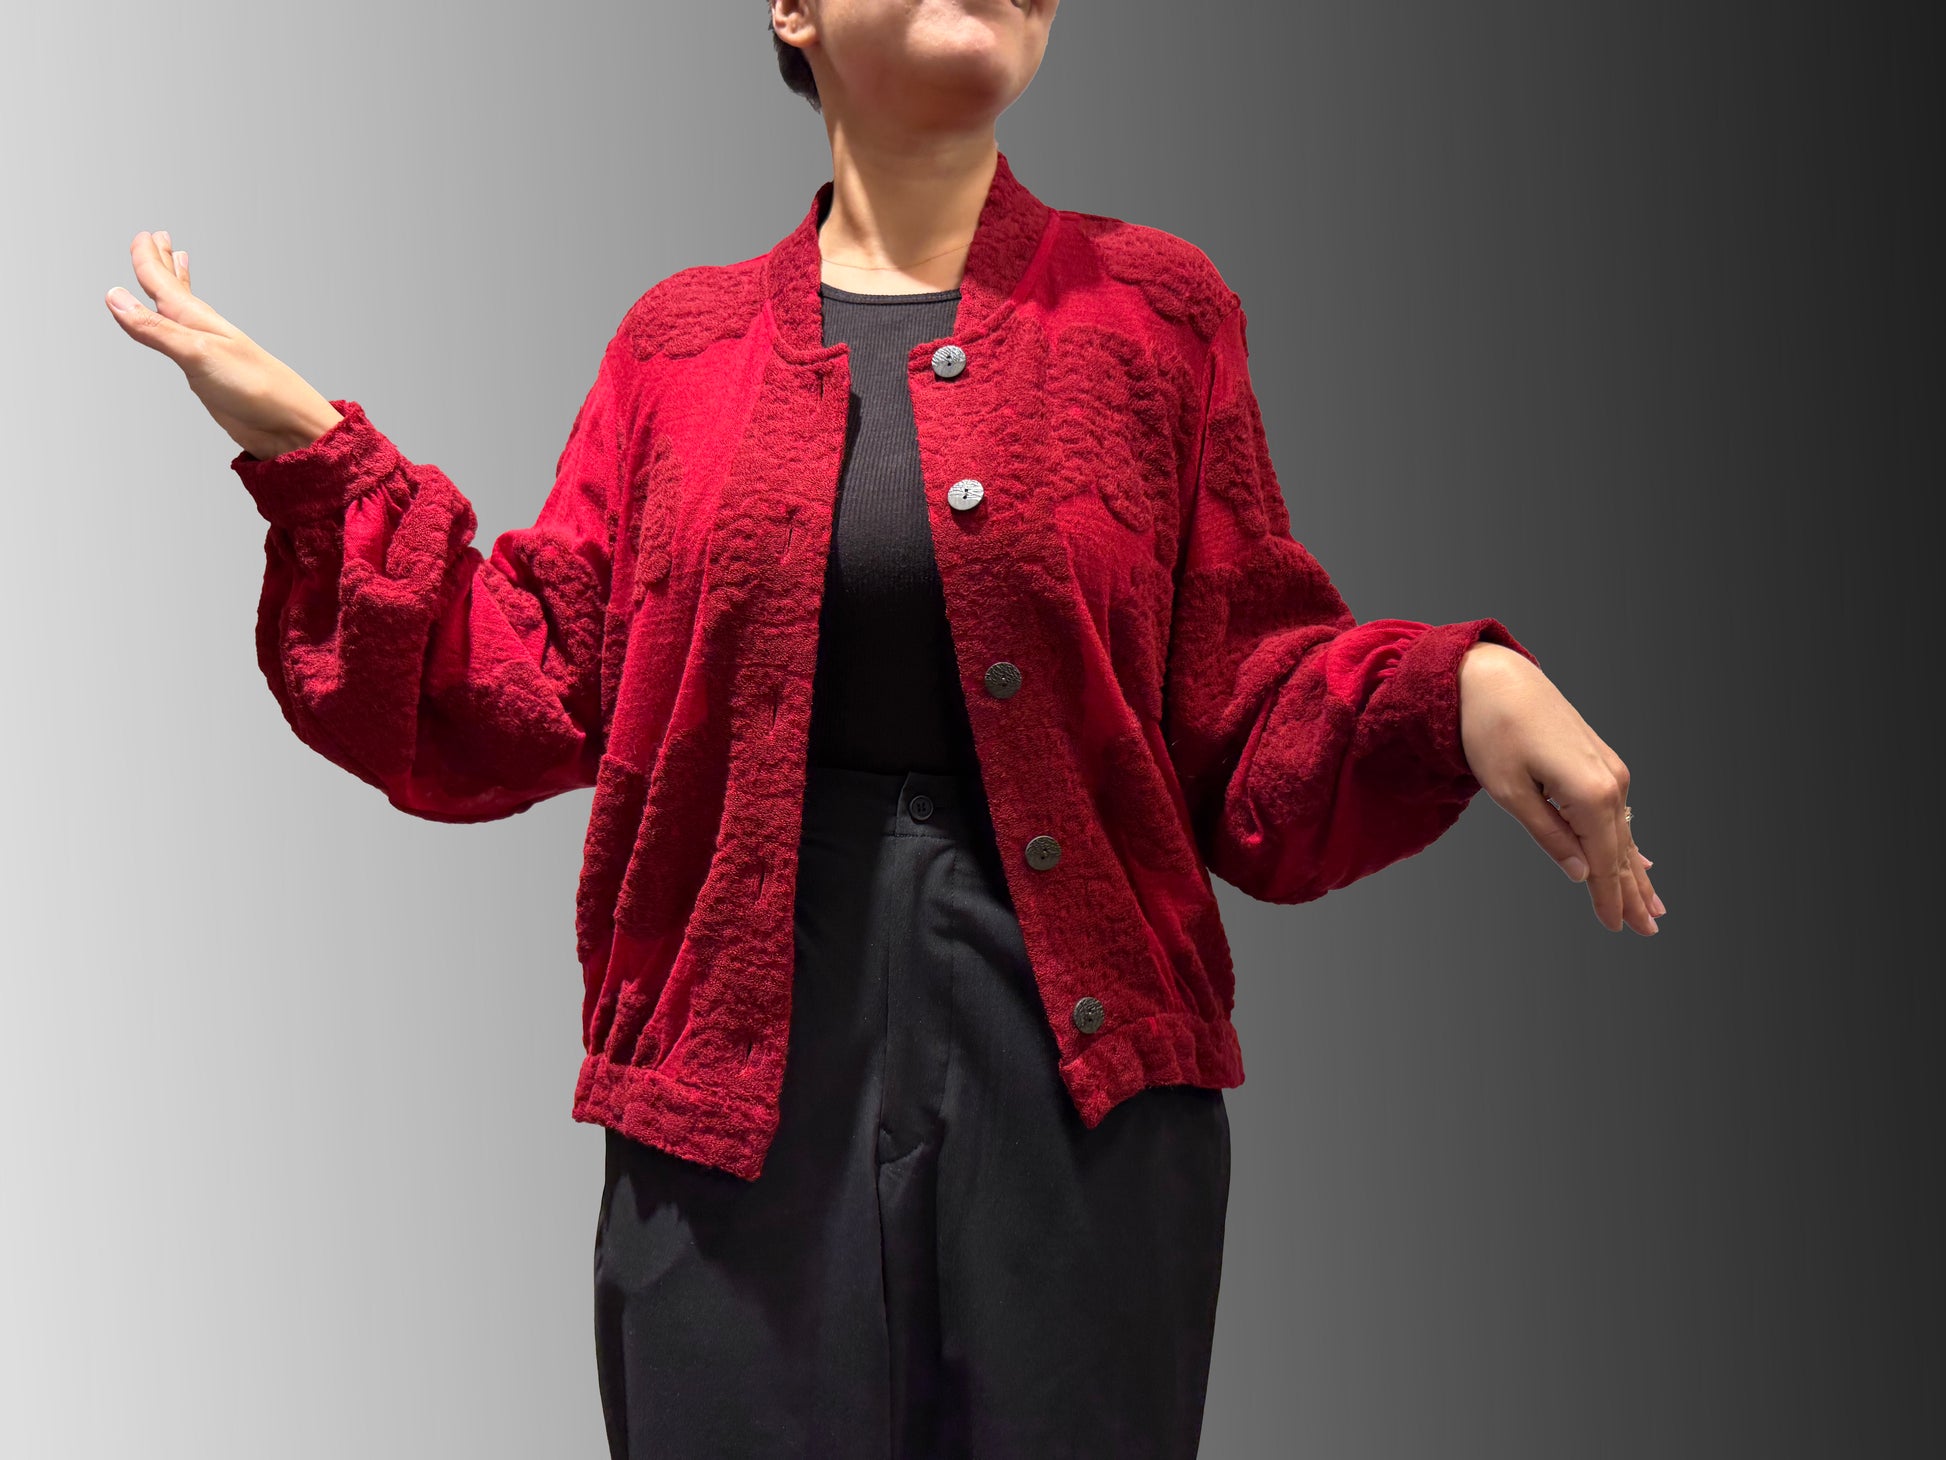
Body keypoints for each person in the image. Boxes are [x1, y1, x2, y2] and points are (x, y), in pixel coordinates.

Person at [104, 2, 1665, 1454]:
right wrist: (320, 461)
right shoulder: (676, 347)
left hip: (1084, 1080)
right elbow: (522, 683)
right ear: (791, 7)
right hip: (726, 1083)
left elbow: (1238, 700)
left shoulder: (1156, 312)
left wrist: (1457, 691)